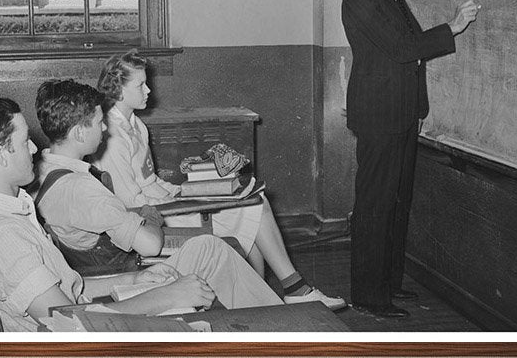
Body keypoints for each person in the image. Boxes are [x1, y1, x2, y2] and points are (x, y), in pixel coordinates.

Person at [0, 96, 223, 331]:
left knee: (205, 259)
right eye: (25, 141)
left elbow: (61, 290)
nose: (34, 148)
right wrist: (167, 296)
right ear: (1, 155)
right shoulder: (3, 238)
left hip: (76, 320)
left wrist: (132, 280)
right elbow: (69, 323)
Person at [94, 50, 345, 310]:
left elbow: (150, 180)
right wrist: (180, 201)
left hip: (165, 204)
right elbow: (131, 202)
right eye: (141, 85)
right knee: (254, 209)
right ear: (119, 91)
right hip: (151, 220)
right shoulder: (113, 137)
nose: (148, 90)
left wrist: (184, 191)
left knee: (253, 203)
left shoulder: (136, 125)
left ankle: (265, 296)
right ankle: (290, 290)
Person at [33, 79, 284, 311]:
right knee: (215, 251)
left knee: (208, 246)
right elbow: (150, 245)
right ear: (79, 133)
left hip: (100, 275)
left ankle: (267, 312)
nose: (105, 127)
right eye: (99, 122)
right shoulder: (82, 189)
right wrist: (150, 216)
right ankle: (278, 320)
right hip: (116, 286)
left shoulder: (44, 171)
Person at [342, 0, 479, 317]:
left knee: (396, 204)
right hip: (380, 116)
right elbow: (403, 49)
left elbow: (407, 47)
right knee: (376, 206)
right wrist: (452, 27)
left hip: (400, 113)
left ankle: (388, 284)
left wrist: (418, 106)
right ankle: (369, 296)